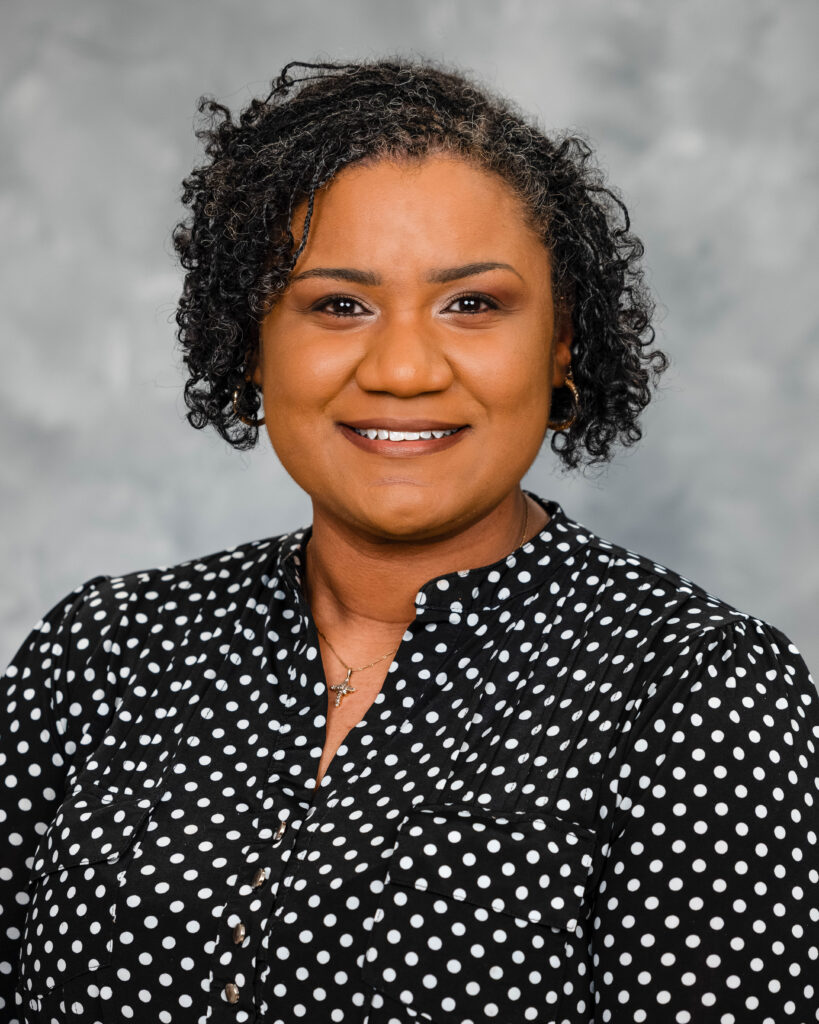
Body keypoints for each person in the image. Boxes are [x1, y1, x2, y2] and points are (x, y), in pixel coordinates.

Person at [1, 58, 816, 1024]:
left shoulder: (702, 690)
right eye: (337, 304)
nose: (401, 369)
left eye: (472, 304)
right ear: (253, 344)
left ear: (561, 342)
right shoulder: (106, 651)